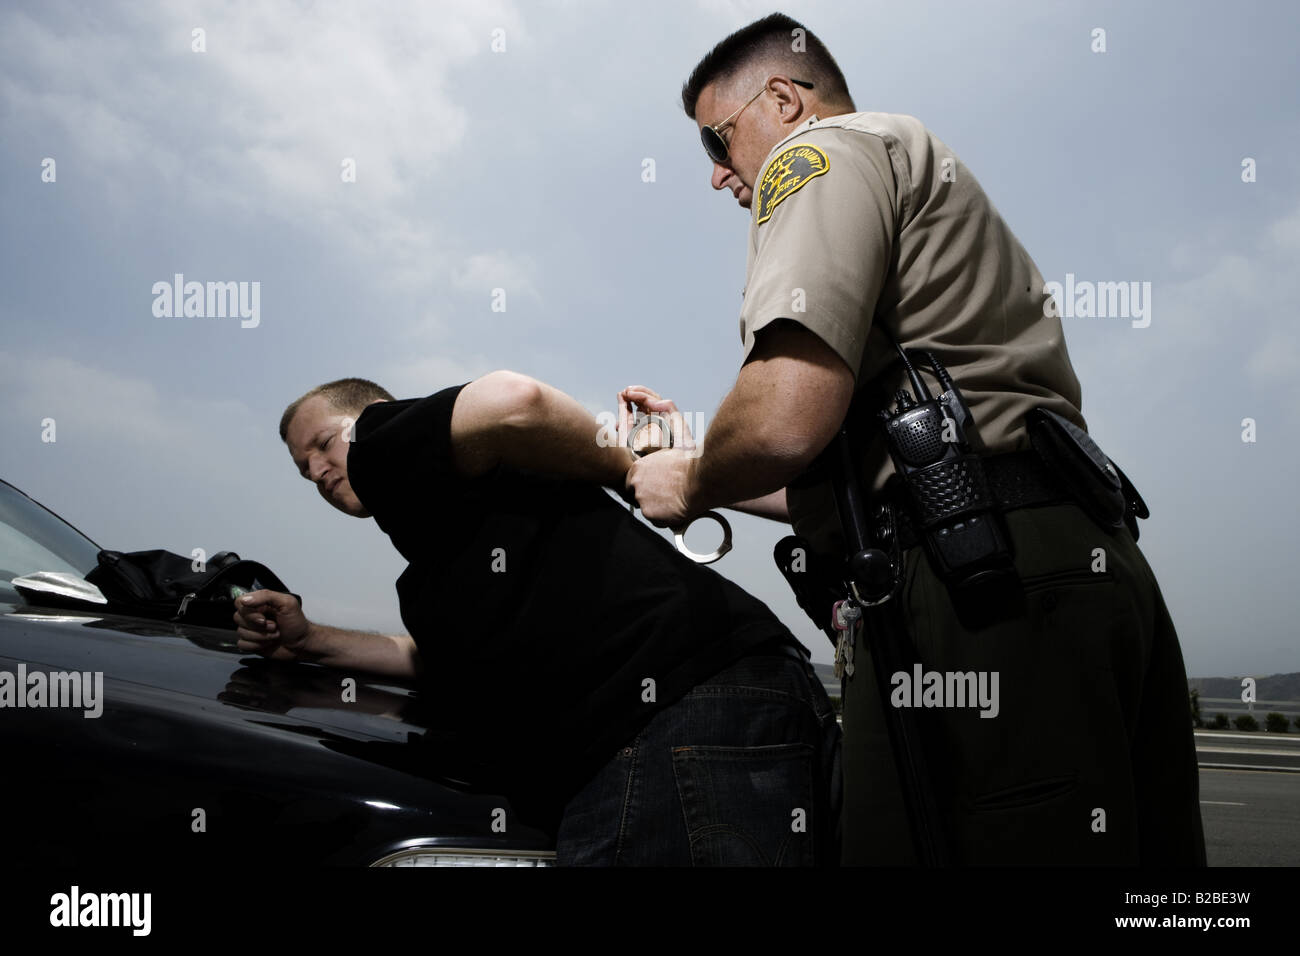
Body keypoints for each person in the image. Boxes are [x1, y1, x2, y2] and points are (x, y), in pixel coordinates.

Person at [623, 12, 1205, 865]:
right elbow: (846, 471)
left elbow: (786, 416)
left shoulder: (815, 155)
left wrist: (689, 481)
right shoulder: (913, 163)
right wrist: (700, 454)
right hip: (1054, 550)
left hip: (975, 584)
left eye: (717, 141)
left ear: (782, 99)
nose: (717, 176)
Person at [234, 370, 841, 866]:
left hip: (674, 719)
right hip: (742, 692)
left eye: (322, 444)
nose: (316, 471)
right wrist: (311, 640)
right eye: (301, 469)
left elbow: (511, 401)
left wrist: (633, 467)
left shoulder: (382, 440)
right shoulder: (445, 552)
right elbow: (431, 660)